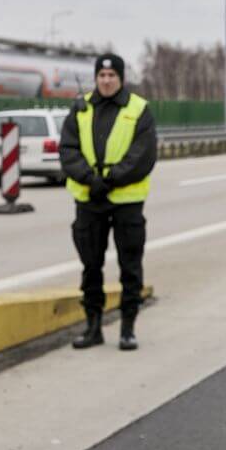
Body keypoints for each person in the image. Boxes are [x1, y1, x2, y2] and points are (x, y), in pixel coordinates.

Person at [60, 53, 157, 349]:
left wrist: (110, 179)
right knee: (91, 266)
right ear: (96, 78)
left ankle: (128, 328)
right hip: (90, 200)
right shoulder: (81, 109)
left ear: (121, 78)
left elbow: (143, 155)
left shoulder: (139, 110)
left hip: (126, 201)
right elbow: (68, 150)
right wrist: (91, 180)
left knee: (130, 265)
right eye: (101, 76)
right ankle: (93, 327)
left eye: (111, 75)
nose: (105, 80)